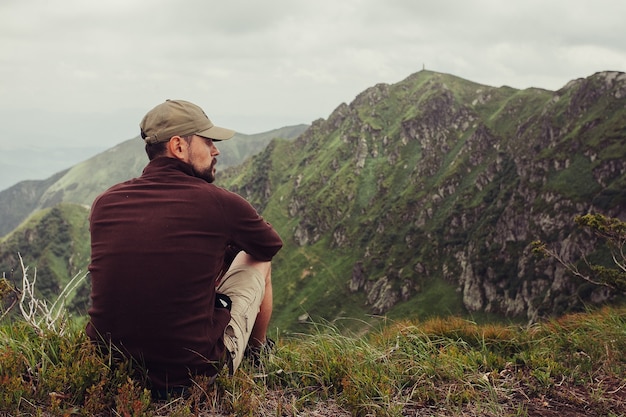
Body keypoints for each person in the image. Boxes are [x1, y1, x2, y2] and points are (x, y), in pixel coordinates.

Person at [86, 99, 283, 397]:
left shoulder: (105, 202)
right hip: (192, 373)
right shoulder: (219, 203)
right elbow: (269, 245)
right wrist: (225, 249)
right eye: (208, 141)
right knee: (258, 261)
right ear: (179, 146)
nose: (215, 150)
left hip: (109, 364)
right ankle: (257, 354)